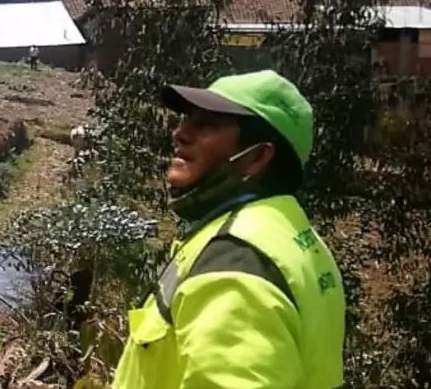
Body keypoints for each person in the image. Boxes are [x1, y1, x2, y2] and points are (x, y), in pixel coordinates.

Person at [112, 70, 345, 389]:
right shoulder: (292, 235)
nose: (179, 133)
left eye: (207, 124)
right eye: (187, 119)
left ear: (258, 156)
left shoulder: (234, 266)